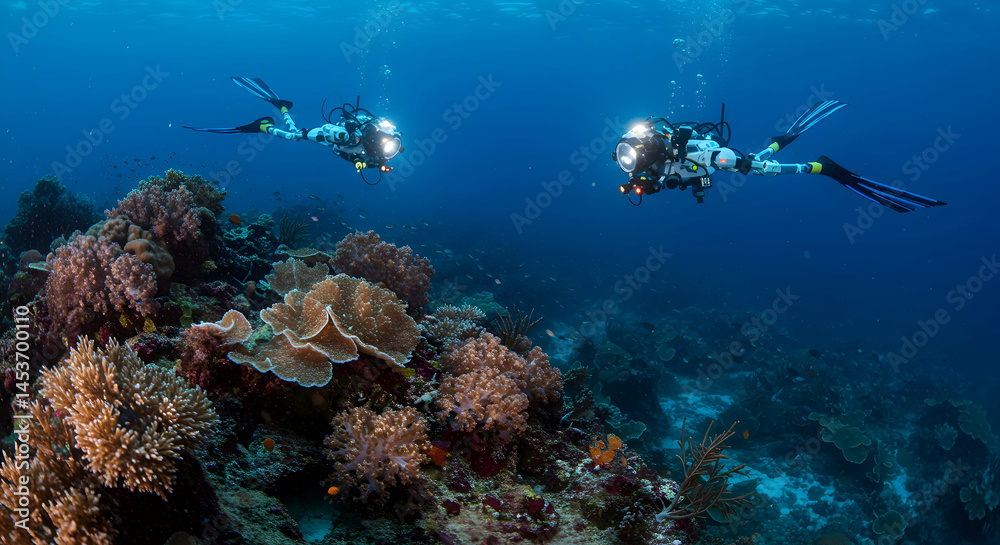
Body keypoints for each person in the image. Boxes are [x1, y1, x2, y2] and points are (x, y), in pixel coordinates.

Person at [612, 100, 946, 212]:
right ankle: (779, 141)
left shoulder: (690, 149)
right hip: (695, 163)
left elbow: (722, 157)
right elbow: (647, 179)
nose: (631, 162)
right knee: (754, 160)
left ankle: (818, 166)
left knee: (757, 168)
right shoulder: (646, 160)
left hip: (709, 156)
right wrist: (640, 183)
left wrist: (736, 163)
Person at [184, 77, 403, 183]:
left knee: (298, 136)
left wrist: (372, 164)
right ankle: (272, 119)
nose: (389, 150)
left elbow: (361, 161)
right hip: (333, 136)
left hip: (343, 142)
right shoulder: (348, 134)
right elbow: (333, 137)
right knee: (294, 135)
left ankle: (279, 111)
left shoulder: (377, 152)